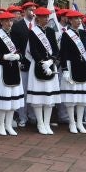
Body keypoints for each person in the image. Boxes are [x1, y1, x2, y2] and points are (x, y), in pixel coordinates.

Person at [0, 11, 25, 136]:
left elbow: (21, 51)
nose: (10, 23)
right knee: (3, 99)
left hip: (14, 69)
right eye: (7, 21)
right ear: (1, 22)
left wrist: (18, 56)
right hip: (1, 69)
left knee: (12, 99)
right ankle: (1, 124)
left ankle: (9, 125)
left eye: (11, 21)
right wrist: (4, 56)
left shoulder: (15, 35)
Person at [25, 7, 61, 135]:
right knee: (38, 98)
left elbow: (56, 49)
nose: (46, 19)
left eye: (47, 16)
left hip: (50, 65)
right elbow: (33, 50)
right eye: (44, 17)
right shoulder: (33, 32)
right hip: (38, 66)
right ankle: (40, 123)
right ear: (38, 18)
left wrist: (51, 61)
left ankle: (47, 123)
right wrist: (42, 62)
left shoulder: (51, 31)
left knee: (49, 98)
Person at [58, 10, 86, 134]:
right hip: (71, 66)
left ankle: (80, 122)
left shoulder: (84, 33)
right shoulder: (66, 34)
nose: (78, 21)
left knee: (82, 98)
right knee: (71, 97)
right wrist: (65, 69)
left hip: (83, 66)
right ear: (70, 20)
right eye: (75, 19)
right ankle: (72, 122)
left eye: (79, 19)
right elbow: (63, 53)